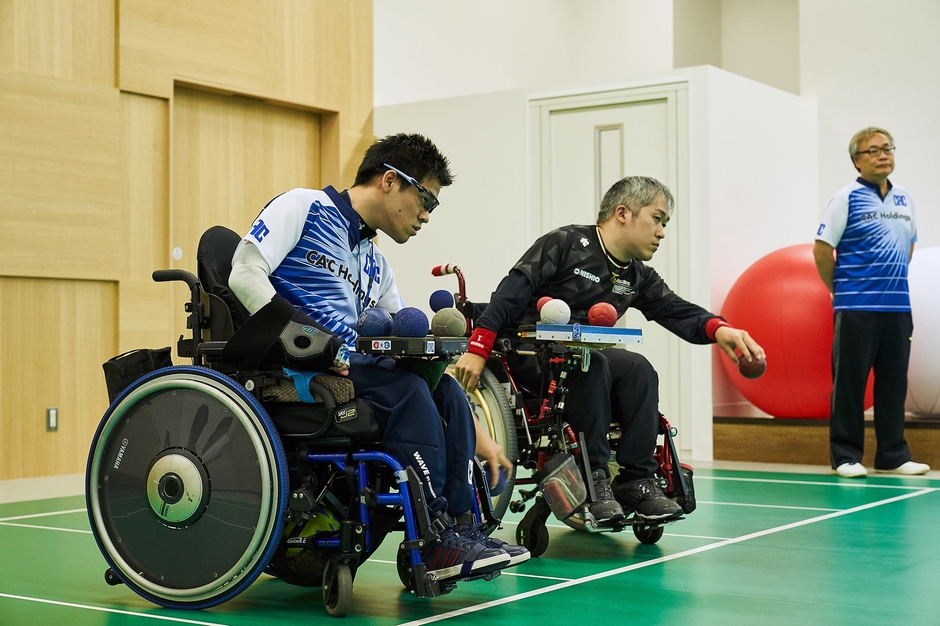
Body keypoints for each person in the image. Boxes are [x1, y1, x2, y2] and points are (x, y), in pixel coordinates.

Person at [228, 133, 528, 581]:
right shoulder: (302, 207)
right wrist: (306, 341)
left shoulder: (376, 262)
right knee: (406, 390)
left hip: (359, 369)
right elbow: (244, 273)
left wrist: (480, 435)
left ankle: (465, 530)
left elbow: (400, 351)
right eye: (426, 199)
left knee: (442, 388)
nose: (427, 215)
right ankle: (433, 540)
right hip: (297, 367)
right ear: (391, 181)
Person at [454, 176, 765, 522]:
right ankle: (595, 479)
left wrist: (720, 330)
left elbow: (677, 311)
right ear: (623, 213)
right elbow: (510, 292)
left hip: (584, 362)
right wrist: (478, 346)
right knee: (593, 363)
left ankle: (637, 480)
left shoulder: (635, 275)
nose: (662, 231)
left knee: (638, 368)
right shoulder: (566, 243)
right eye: (657, 219)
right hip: (530, 359)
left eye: (665, 223)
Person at [813, 127, 929, 479]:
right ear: (856, 160)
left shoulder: (905, 198)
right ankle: (845, 455)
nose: (884, 154)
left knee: (894, 383)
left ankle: (893, 454)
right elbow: (821, 250)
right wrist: (841, 292)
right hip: (856, 307)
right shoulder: (844, 198)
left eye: (888, 148)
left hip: (897, 308)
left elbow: (908, 246)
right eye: (874, 150)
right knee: (850, 382)